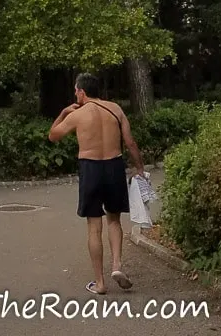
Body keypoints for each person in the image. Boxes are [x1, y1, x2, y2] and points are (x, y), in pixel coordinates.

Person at [48, 73, 145, 297]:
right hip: (114, 166)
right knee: (114, 219)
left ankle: (100, 283)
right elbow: (130, 142)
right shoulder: (116, 109)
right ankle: (117, 266)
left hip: (90, 168)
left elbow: (53, 136)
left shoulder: (78, 115)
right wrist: (139, 168)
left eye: (75, 91)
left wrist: (63, 112)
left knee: (94, 226)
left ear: (82, 92)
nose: (75, 94)